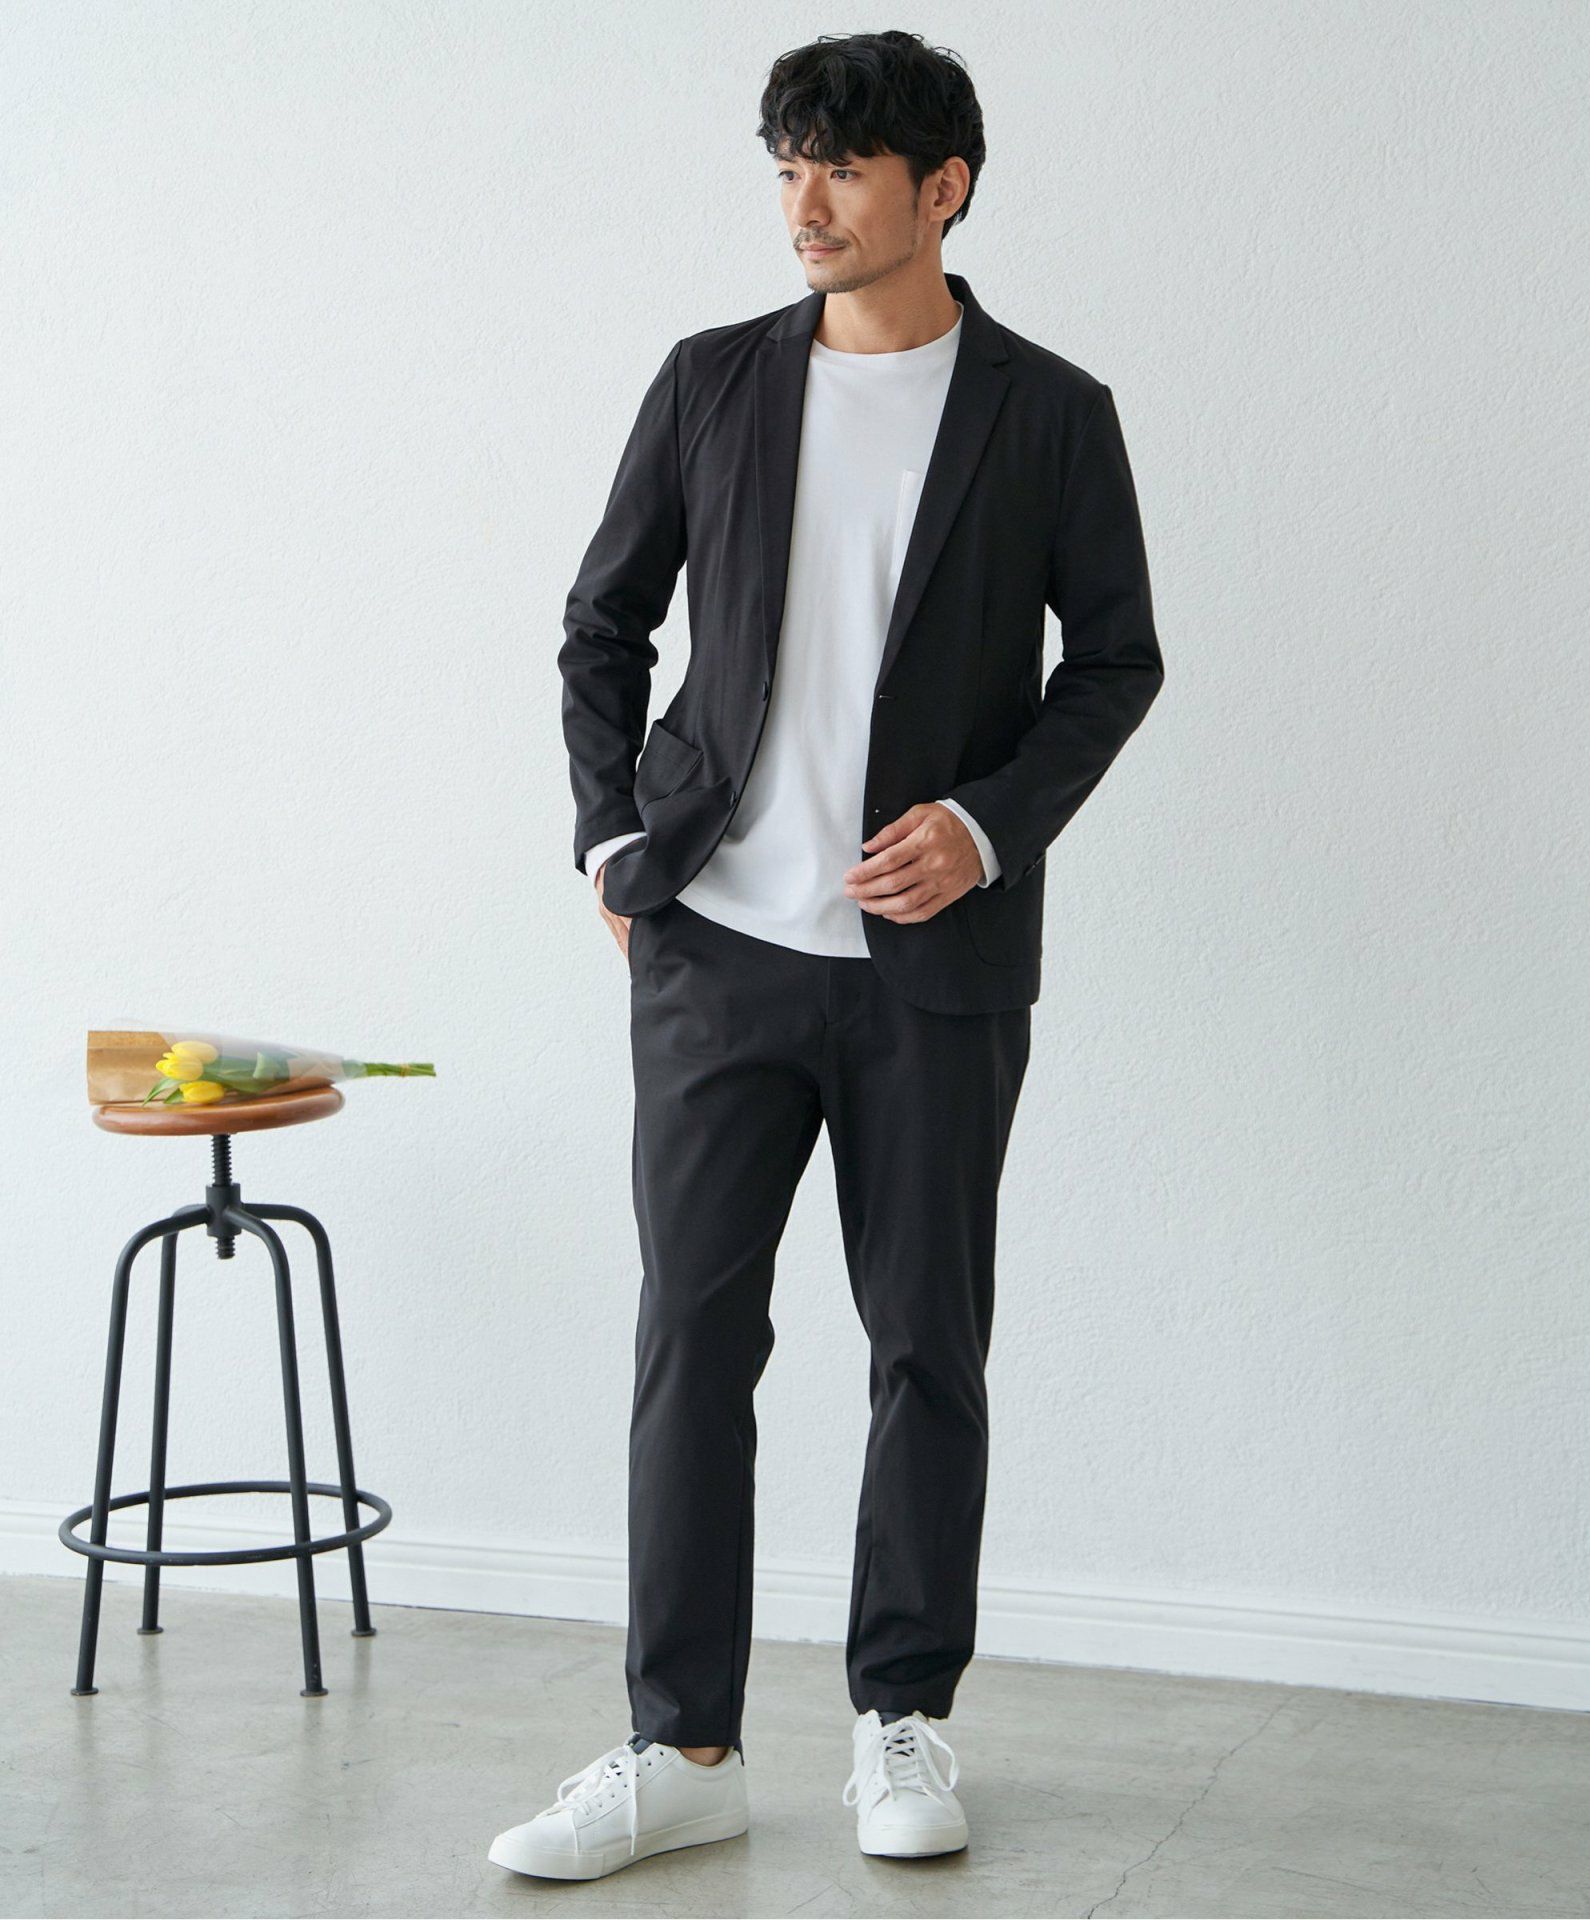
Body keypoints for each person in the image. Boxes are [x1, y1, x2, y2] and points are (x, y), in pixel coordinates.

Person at [490, 27, 1164, 1883]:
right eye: (788, 163)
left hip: (932, 970)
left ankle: (902, 1716)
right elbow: (603, 621)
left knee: (926, 1344)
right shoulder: (712, 379)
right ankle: (681, 1744)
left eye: (844, 167)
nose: (805, 200)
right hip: (715, 947)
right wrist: (613, 838)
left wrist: (988, 826)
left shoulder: (1050, 412)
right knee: (691, 1338)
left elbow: (1116, 660)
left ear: (943, 188)